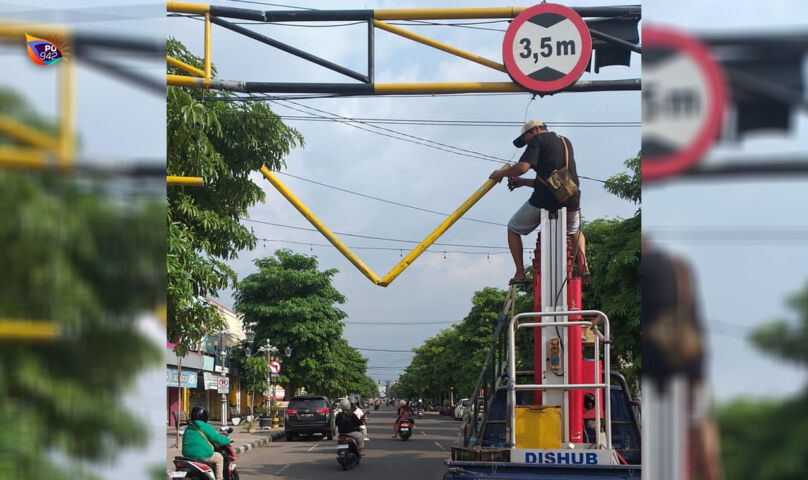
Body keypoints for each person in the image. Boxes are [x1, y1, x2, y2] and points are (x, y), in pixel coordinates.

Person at [489, 120, 589, 284]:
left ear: (535, 129)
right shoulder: (565, 141)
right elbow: (553, 180)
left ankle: (520, 273)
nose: (527, 143)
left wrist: (501, 173)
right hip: (570, 196)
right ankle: (583, 264)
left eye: (526, 138)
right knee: (574, 229)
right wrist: (522, 182)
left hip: (546, 200)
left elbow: (522, 167)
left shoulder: (538, 139)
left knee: (513, 227)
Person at [182, 406, 231, 480]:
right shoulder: (204, 426)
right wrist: (228, 440)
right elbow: (217, 439)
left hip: (187, 455)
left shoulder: (189, 427)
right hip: (202, 455)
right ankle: (219, 478)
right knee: (219, 458)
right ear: (204, 416)